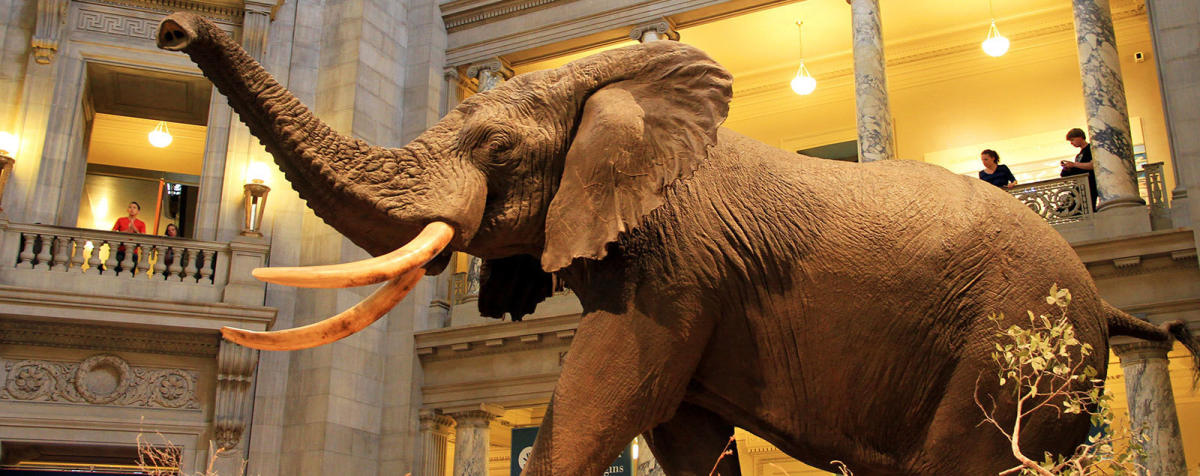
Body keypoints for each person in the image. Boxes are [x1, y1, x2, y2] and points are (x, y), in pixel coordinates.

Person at [1060, 128, 1098, 211]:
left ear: (1080, 137)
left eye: (1072, 140)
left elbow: (1093, 165)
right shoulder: (1079, 155)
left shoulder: (1090, 148)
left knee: (1084, 208)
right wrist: (1068, 169)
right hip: (1080, 186)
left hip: (1089, 184)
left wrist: (1074, 164)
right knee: (1065, 208)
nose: (1071, 143)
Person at [110, 201, 146, 272]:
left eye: (134, 208)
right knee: (117, 271)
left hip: (133, 252)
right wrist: (127, 231)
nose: (132, 209)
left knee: (130, 273)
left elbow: (143, 238)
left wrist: (135, 229)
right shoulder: (120, 220)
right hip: (120, 250)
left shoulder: (141, 223)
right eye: (130, 207)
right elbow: (113, 233)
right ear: (127, 210)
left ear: (138, 211)